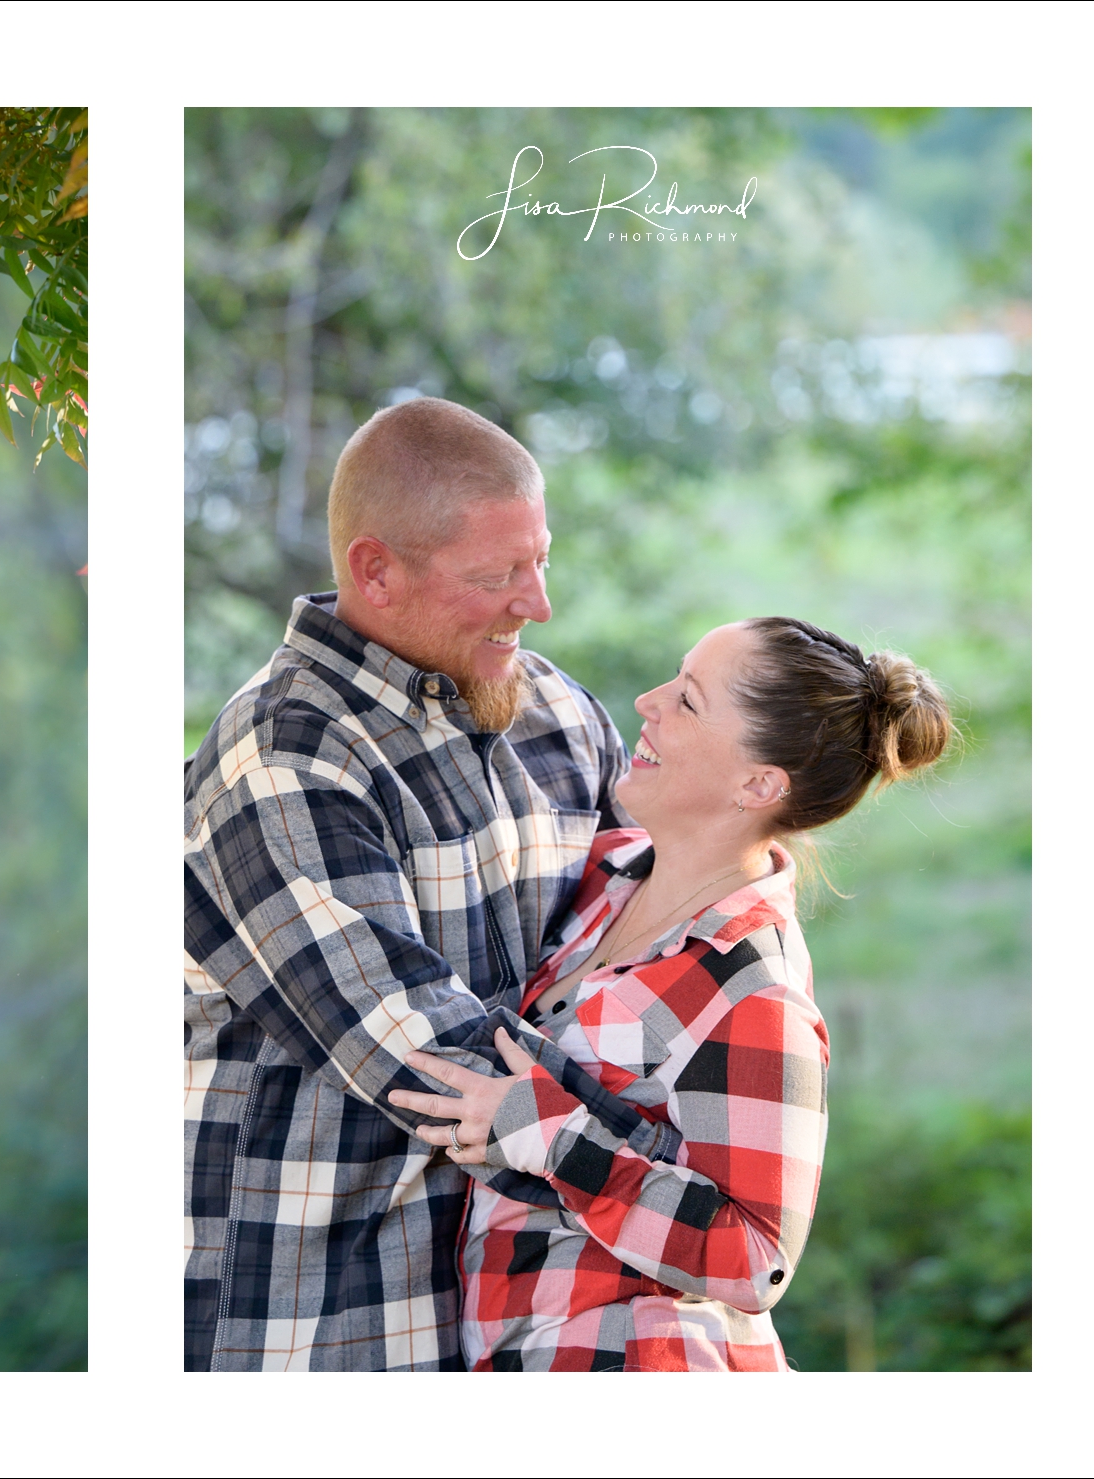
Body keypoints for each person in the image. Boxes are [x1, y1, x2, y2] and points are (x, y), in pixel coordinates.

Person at [185, 397, 658, 1372]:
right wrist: (682, 1180)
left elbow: (653, 950)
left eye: (539, 561)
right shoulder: (282, 760)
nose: (535, 603)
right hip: (323, 1320)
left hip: (528, 1305)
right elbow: (431, 1069)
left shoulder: (559, 717)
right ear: (374, 570)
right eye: (495, 576)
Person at [388, 617, 953, 1370]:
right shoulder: (606, 873)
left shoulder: (755, 990)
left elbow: (758, 1256)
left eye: (687, 700)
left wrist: (551, 1133)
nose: (648, 701)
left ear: (758, 783)